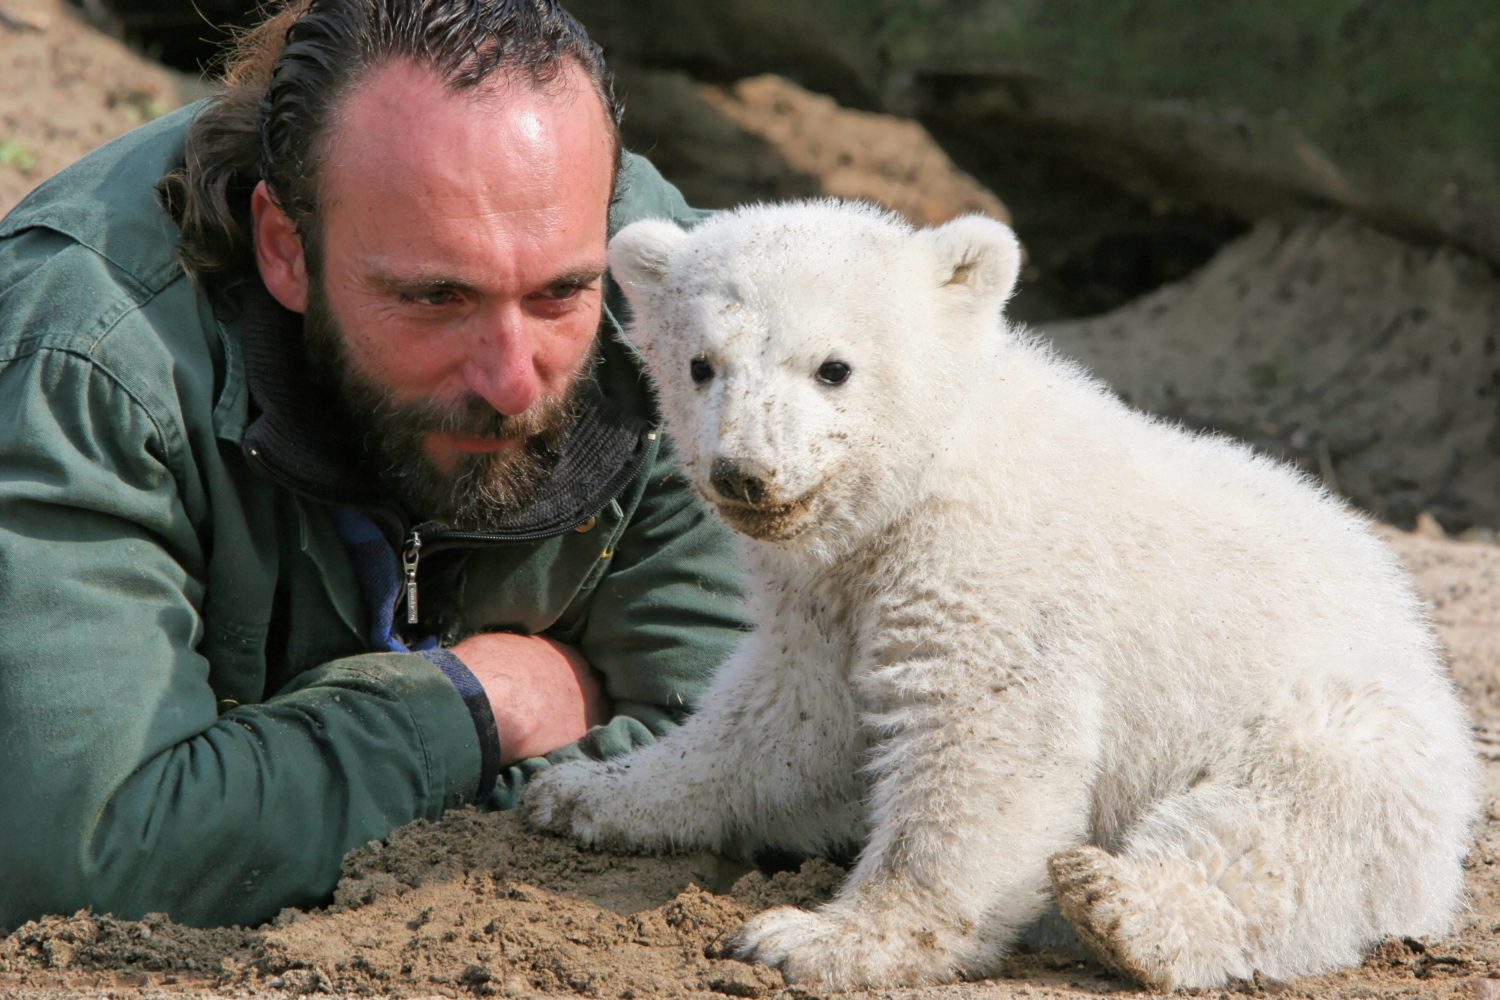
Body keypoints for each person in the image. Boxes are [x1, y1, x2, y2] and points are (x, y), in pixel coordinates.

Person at [0, 0, 747, 930]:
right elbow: (85, 855)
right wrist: (476, 707)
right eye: (437, 297)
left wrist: (258, 796)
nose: (515, 382)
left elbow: (746, 761)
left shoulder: (688, 309)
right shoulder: (90, 366)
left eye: (560, 292)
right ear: (286, 248)